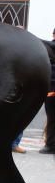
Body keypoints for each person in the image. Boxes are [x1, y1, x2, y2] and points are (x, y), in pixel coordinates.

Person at [41, 27, 55, 155]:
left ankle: (50, 145)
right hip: (51, 91)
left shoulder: (48, 48)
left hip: (52, 90)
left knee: (51, 119)